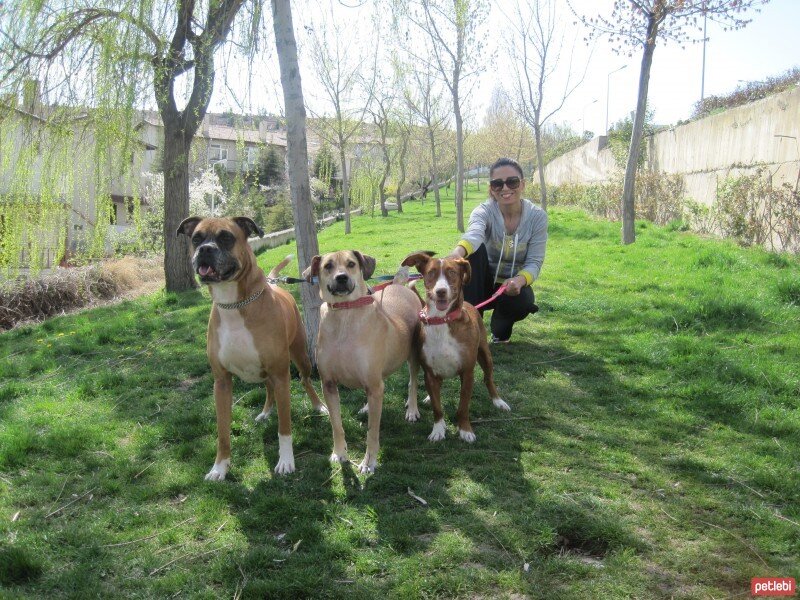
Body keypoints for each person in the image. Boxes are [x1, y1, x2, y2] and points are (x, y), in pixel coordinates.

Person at [449, 157, 547, 343]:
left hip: (510, 287)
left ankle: (500, 328)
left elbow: (535, 262)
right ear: (491, 189)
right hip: (480, 283)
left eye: (512, 181)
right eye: (497, 184)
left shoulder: (538, 217)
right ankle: (471, 326)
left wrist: (519, 281)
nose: (505, 188)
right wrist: (457, 253)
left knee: (523, 300)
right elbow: (474, 235)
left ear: (523, 184)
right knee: (474, 252)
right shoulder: (482, 211)